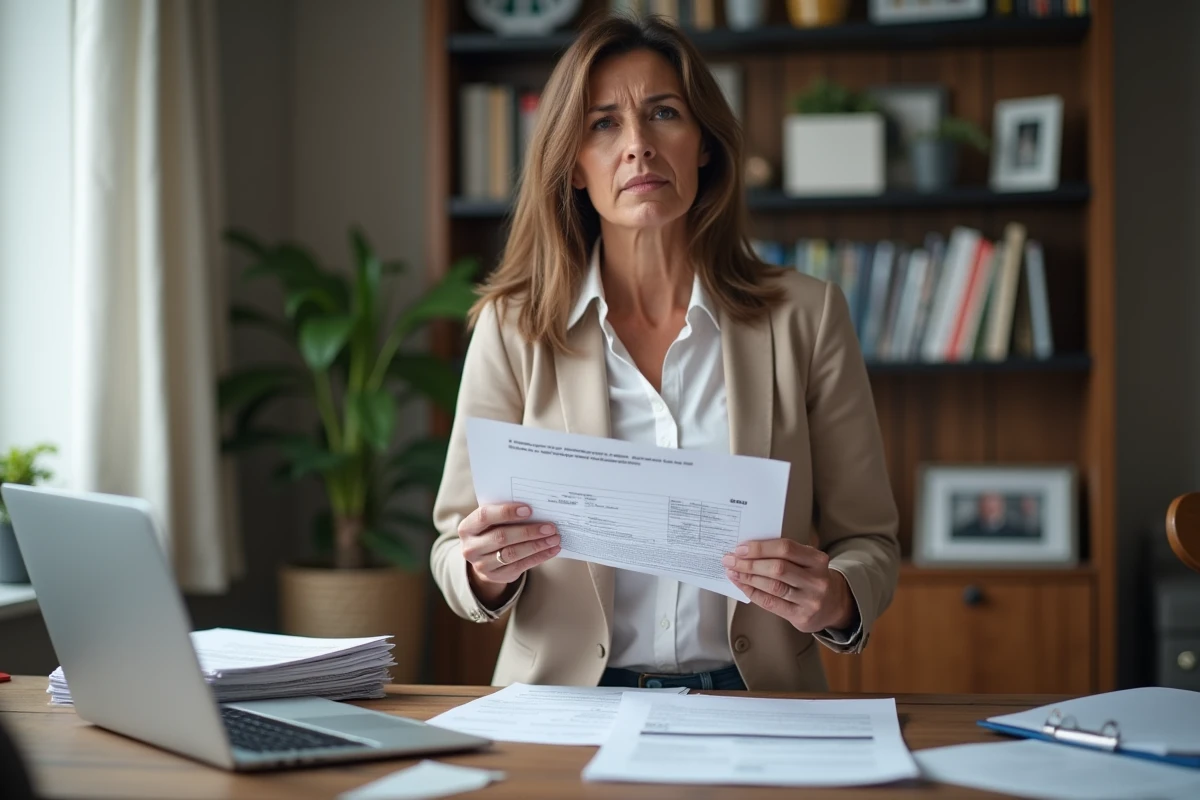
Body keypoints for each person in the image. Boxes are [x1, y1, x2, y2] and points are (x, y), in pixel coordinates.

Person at [430, 15, 899, 692]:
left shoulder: (808, 316)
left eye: (664, 114)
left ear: (704, 144)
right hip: (564, 704)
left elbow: (871, 542)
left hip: (758, 699)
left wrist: (837, 597)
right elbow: (452, 549)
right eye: (604, 125)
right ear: (573, 167)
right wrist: (484, 569)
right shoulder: (514, 325)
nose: (638, 147)